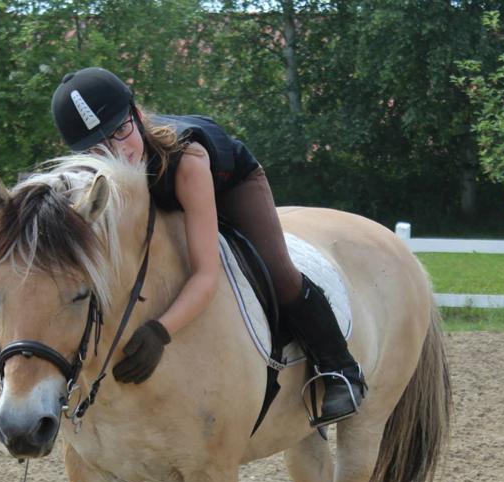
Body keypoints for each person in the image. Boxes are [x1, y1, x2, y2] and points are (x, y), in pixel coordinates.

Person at [51, 67, 365, 426]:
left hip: (229, 185)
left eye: (121, 130)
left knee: (278, 272)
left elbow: (205, 273)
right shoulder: (88, 180)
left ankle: (339, 367)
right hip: (168, 196)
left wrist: (160, 330)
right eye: (97, 147)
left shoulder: (188, 160)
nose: (118, 151)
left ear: (137, 115)